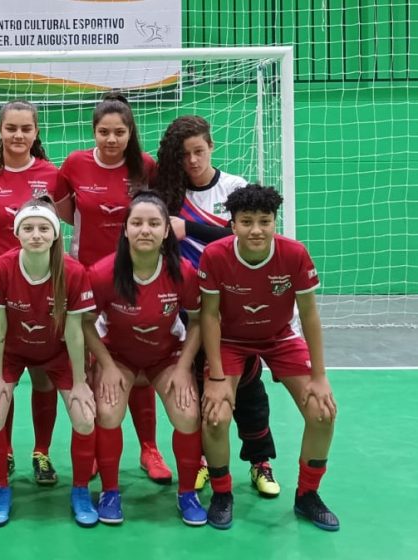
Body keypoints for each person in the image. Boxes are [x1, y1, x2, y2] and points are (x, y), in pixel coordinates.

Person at [152, 115, 280, 497]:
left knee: (248, 388)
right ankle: (206, 461)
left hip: (234, 305)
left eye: (198, 151)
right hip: (186, 307)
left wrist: (188, 228)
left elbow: (241, 233)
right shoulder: (167, 194)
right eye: (184, 155)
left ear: (211, 147)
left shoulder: (234, 187)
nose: (192, 160)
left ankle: (260, 462)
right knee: (196, 386)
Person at [198, 184, 338, 531]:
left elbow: (309, 316)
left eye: (265, 221)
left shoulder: (294, 254)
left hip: (279, 338)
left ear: (276, 221)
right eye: (247, 221)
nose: (256, 230)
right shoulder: (215, 255)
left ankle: (307, 496)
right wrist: (216, 378)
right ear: (232, 224)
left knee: (322, 413)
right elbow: (209, 317)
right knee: (215, 416)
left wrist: (320, 377)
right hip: (229, 340)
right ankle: (222, 493)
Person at [52, 92, 171, 484]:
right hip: (88, 277)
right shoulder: (74, 163)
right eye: (104, 131)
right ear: (94, 132)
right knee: (85, 367)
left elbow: (154, 215)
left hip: (135, 276)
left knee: (137, 363)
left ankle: (149, 449)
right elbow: (64, 212)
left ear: (130, 132)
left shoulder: (145, 167)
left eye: (119, 132)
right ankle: (89, 454)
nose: (111, 139)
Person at [83, 192, 207, 526]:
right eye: (137, 223)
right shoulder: (103, 273)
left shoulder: (182, 272)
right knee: (108, 412)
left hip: (165, 357)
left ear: (167, 230)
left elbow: (198, 321)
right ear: (125, 229)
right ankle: (110, 491)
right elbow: (83, 323)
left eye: (154, 223)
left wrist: (183, 368)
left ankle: (187, 494)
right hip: (118, 356)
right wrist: (105, 365)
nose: (145, 230)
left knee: (187, 415)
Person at [0, 197, 98, 528]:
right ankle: (2, 488)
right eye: (28, 228)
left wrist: (79, 382)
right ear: (17, 233)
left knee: (85, 419)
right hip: (14, 351)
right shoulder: (0, 268)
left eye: (44, 228)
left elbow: (75, 333)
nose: (36, 234)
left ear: (56, 233)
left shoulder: (73, 272)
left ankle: (79, 490)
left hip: (58, 352)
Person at [0, 100, 60, 485]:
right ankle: (1, 451)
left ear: (36, 133)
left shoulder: (53, 174)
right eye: (11, 128)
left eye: (25, 129)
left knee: (43, 375)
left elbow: (74, 219)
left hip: (44, 287)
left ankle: (42, 452)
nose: (18, 136)